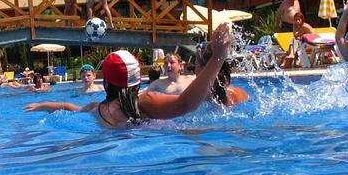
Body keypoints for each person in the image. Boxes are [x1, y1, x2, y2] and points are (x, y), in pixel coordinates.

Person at [24, 23, 233, 128]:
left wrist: (42, 105)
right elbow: (185, 104)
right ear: (137, 80)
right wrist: (218, 56)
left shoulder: (98, 109)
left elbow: (68, 107)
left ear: (105, 82)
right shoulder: (143, 101)